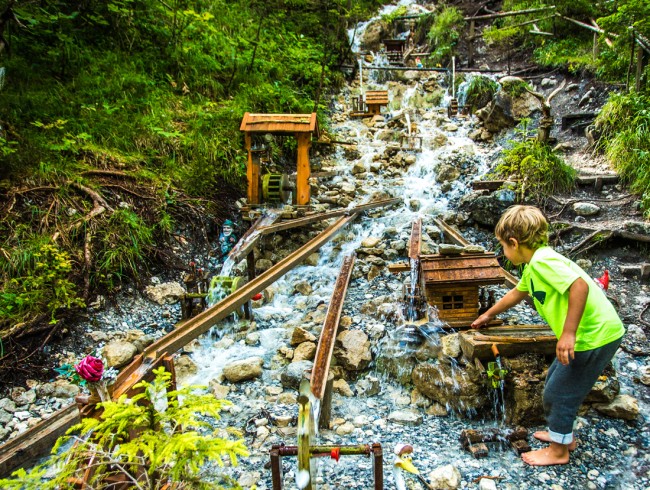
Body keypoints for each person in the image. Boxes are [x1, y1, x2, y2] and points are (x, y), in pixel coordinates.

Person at [471, 205, 624, 466]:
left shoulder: (543, 262)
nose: (504, 253)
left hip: (593, 336)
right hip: (597, 333)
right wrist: (488, 315)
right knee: (556, 380)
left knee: (559, 393)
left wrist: (568, 334)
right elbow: (517, 293)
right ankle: (562, 436)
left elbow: (579, 286)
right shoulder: (534, 265)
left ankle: (558, 451)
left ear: (514, 243)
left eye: (503, 247)